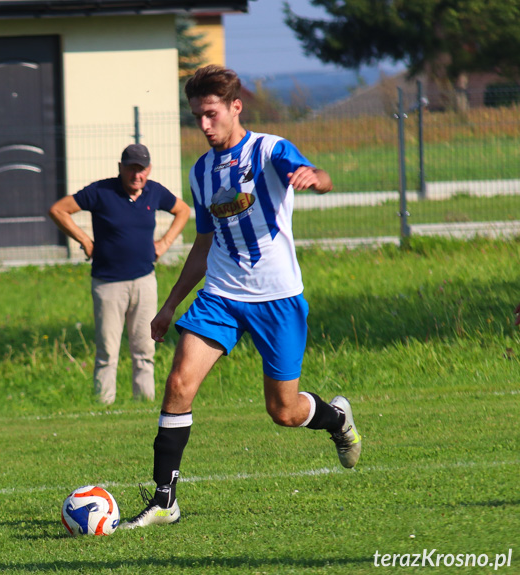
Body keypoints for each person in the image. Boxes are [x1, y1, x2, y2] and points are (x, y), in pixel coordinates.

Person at [122, 65, 362, 529]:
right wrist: (171, 304)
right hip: (221, 296)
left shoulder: (269, 149)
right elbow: (205, 241)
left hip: (278, 300)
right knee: (177, 386)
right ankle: (164, 501)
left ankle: (336, 419)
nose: (204, 125)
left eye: (211, 114)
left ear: (236, 107)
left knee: (284, 411)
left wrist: (315, 177)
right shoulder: (201, 171)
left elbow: (317, 174)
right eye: (196, 117)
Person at [48, 144, 190, 405]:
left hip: (145, 281)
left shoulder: (154, 192)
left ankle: (145, 403)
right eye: (132, 168)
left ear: (149, 170)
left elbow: (183, 210)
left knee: (145, 349)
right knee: (107, 352)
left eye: (142, 169)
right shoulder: (101, 191)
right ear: (120, 168)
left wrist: (165, 242)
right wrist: (84, 240)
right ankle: (103, 406)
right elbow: (59, 210)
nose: (137, 175)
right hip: (108, 284)